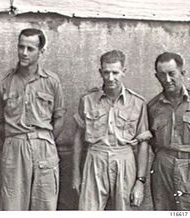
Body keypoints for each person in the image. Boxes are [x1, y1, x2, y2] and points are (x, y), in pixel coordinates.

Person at [0, 28, 65, 210]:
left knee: (45, 204)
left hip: (44, 147)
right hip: (15, 146)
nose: (24, 53)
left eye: (30, 49)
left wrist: (44, 141)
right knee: (12, 206)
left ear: (41, 51)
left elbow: (59, 118)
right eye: (21, 47)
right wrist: (15, 141)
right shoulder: (4, 82)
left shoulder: (51, 81)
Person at [72, 50, 152, 210]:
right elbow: (78, 138)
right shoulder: (87, 100)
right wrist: (76, 173)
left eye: (115, 72)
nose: (110, 78)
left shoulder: (137, 102)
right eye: (106, 72)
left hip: (125, 158)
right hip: (95, 158)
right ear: (100, 72)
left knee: (125, 210)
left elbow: (143, 144)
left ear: (124, 72)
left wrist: (140, 181)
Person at [148, 52, 190, 210]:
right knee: (163, 210)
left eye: (171, 74)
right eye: (162, 75)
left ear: (183, 73)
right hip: (163, 166)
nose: (167, 80)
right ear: (156, 76)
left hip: (188, 163)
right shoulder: (153, 107)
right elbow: (152, 141)